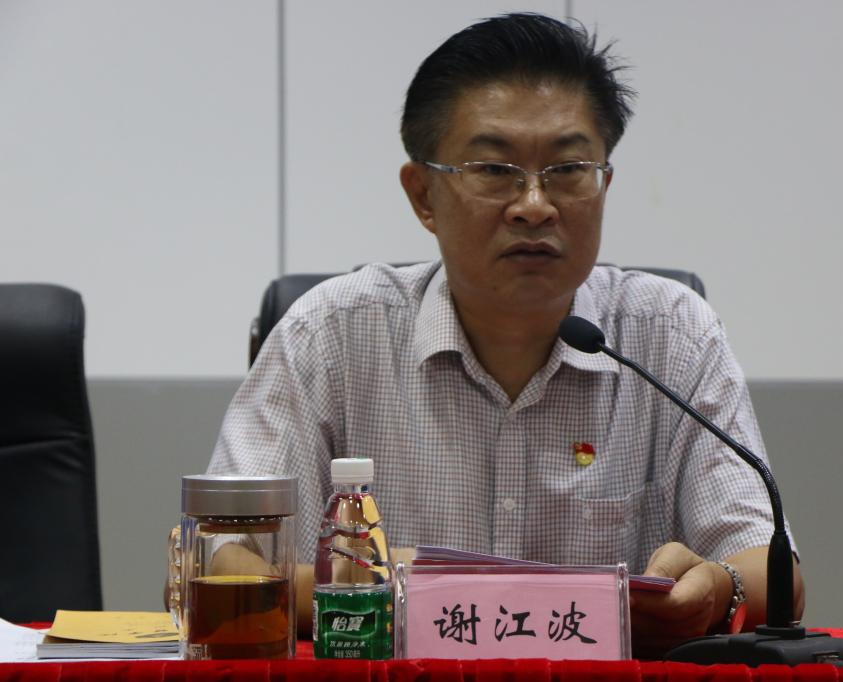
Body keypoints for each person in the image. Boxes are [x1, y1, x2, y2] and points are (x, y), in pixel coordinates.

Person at [206, 12, 803, 656]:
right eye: (494, 170)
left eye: (568, 169)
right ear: (423, 195)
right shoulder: (330, 334)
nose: (534, 206)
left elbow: (772, 570)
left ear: (604, 183)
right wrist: (409, 584)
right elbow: (219, 566)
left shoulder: (671, 336)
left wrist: (719, 590)